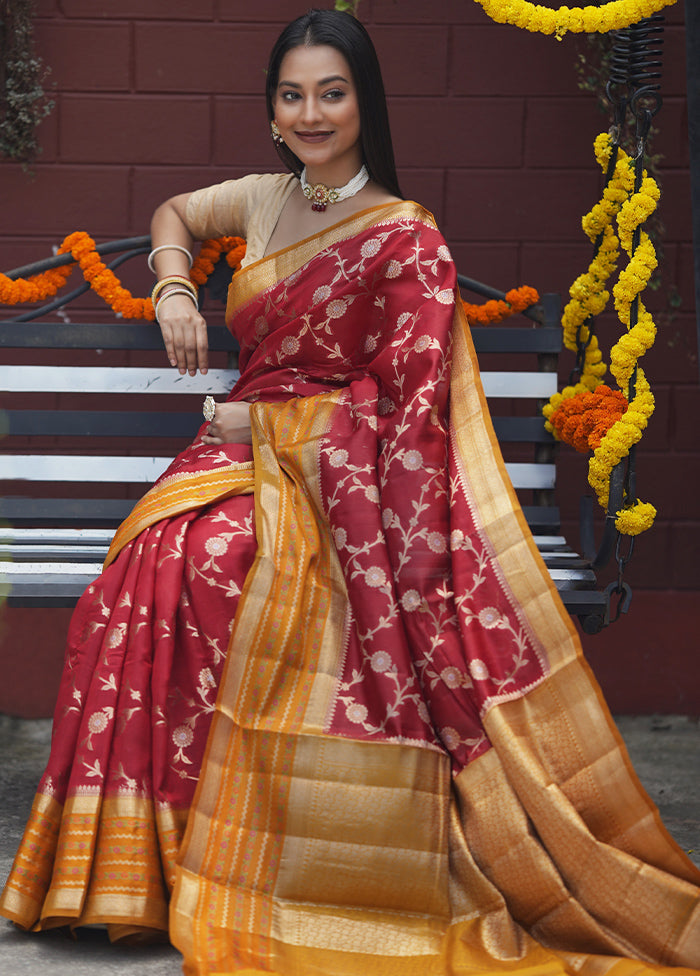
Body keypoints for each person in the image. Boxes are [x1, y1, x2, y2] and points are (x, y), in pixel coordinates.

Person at [1, 9, 699, 976]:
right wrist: (169, 287)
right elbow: (175, 216)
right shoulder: (261, 199)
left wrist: (274, 425)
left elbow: (410, 405)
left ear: (365, 101)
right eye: (293, 95)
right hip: (231, 460)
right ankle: (145, 862)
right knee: (155, 565)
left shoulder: (406, 238)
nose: (312, 112)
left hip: (342, 481)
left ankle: (257, 855)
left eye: (332, 92)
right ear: (274, 109)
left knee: (223, 560)